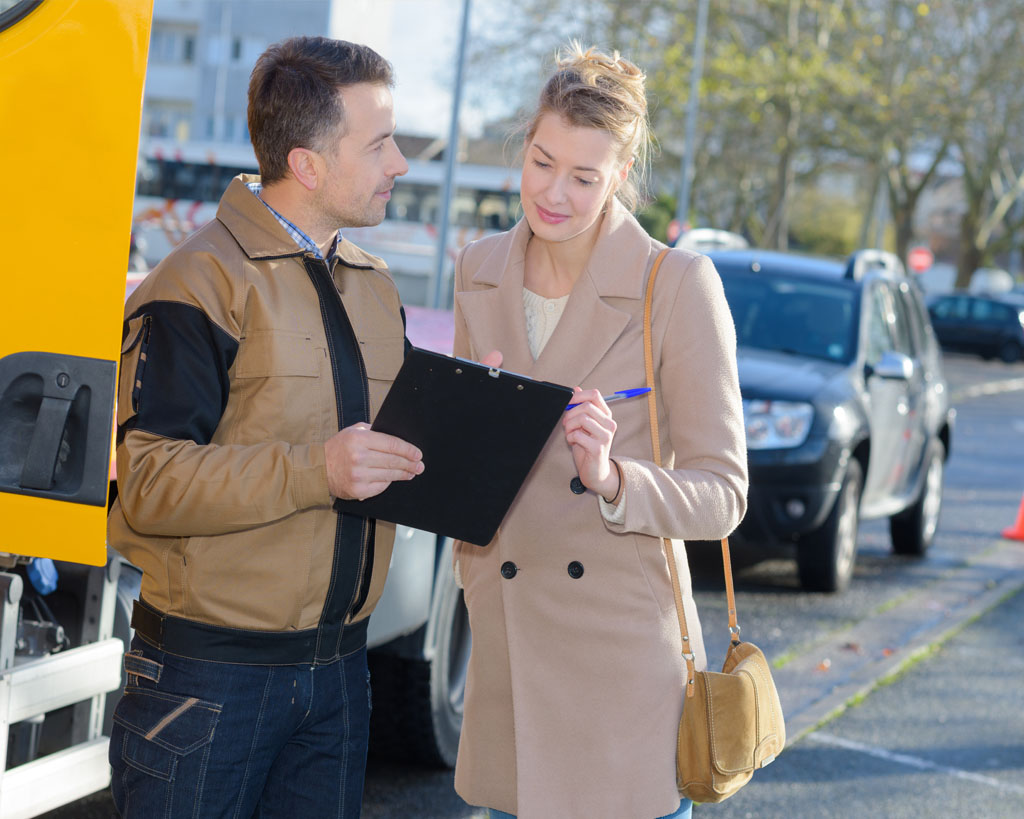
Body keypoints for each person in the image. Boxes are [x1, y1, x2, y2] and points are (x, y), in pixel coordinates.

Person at [107, 36, 420, 818]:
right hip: (206, 682)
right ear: (308, 164)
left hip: (340, 679)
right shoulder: (196, 283)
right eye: (380, 143)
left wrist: (470, 418)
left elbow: (387, 458)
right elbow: (148, 484)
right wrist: (318, 470)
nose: (400, 165)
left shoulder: (377, 290)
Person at [450, 43, 748, 819]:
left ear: (621, 177)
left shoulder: (674, 285)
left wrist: (616, 478)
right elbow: (461, 470)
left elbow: (723, 494)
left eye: (584, 177)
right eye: (543, 162)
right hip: (509, 650)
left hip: (619, 672)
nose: (553, 193)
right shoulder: (478, 268)